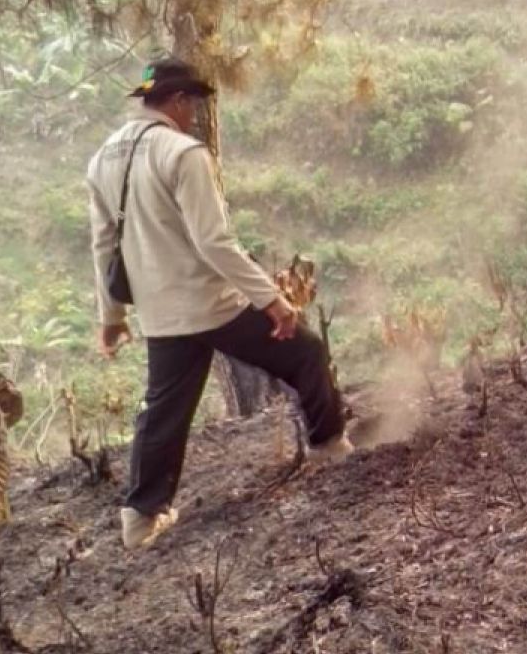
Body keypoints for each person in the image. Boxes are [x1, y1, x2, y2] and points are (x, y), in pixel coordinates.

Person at [87, 58, 351, 550]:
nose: (195, 116)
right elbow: (214, 242)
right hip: (211, 302)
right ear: (179, 100)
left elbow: (104, 246)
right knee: (305, 353)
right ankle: (329, 445)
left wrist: (111, 317)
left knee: (164, 410)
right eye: (194, 105)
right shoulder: (183, 154)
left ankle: (140, 520)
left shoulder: (102, 158)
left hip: (161, 311)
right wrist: (271, 300)